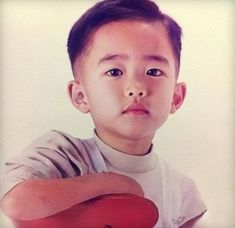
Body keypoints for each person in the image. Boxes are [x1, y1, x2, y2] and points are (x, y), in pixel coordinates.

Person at [0, 0, 207, 227]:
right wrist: (113, 184)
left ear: (176, 97)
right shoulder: (60, 155)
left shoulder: (184, 193)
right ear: (81, 96)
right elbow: (14, 200)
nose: (136, 87)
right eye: (115, 71)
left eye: (153, 71)